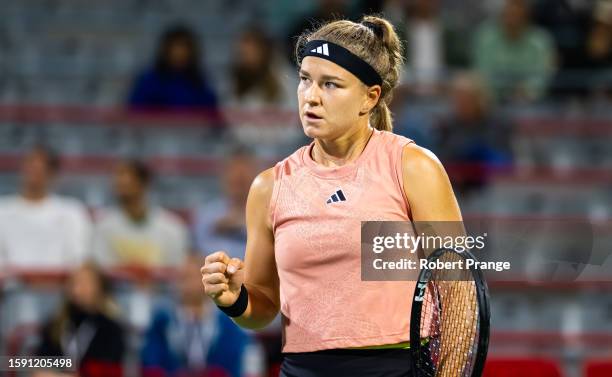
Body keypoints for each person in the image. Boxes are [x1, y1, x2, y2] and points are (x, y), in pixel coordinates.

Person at [201, 15, 464, 376]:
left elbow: (459, 295)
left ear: (369, 98)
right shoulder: (269, 186)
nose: (311, 96)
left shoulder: (413, 168)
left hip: (397, 368)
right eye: (305, 80)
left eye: (330, 85)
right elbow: (263, 307)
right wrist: (235, 300)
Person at [141, 255, 264, 377]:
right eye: (183, 278)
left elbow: (236, 356)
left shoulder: (226, 320)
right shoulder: (162, 319)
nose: (187, 284)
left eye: (193, 277)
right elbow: (152, 359)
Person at [0, 145, 92, 271]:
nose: (33, 174)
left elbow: (79, 258)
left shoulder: (72, 211)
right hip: (9, 288)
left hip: (61, 288)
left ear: (53, 174)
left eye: (40, 169)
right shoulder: (2, 210)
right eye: (30, 167)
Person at [33, 263, 126, 377]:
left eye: (86, 283)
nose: (78, 289)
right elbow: (40, 368)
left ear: (99, 287)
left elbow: (105, 371)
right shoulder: (56, 325)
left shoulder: (110, 329)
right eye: (75, 283)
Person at [93, 159, 189, 269]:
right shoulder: (104, 226)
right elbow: (102, 268)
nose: (119, 182)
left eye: (125, 177)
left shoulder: (172, 228)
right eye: (117, 177)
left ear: (144, 182)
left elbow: (176, 269)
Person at [127, 25, 221, 121]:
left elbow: (212, 116)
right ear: (166, 50)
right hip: (155, 133)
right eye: (175, 48)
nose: (180, 53)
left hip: (194, 133)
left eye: (184, 48)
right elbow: (134, 113)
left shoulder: (200, 82)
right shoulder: (149, 81)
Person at [473, 0, 556, 102]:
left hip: (531, 102)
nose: (512, 19)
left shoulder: (541, 41)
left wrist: (525, 91)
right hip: (491, 102)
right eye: (509, 14)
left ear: (526, 16)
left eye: (517, 14)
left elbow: (542, 78)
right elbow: (482, 74)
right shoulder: (485, 38)